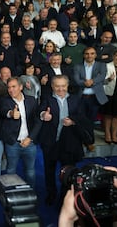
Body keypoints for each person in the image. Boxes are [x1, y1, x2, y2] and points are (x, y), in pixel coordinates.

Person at [39, 75, 92, 206]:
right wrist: (43, 115)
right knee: (49, 170)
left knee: (68, 173)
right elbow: (40, 112)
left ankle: (65, 197)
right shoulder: (47, 98)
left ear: (67, 86)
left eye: (63, 86)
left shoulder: (76, 99)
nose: (61, 89)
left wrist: (73, 121)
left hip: (69, 143)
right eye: (57, 86)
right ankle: (51, 194)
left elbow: (82, 117)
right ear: (52, 86)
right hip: (51, 142)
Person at [0, 77, 41, 188]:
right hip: (13, 143)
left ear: (21, 87)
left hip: (29, 143)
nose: (11, 90)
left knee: (30, 171)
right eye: (9, 87)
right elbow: (4, 112)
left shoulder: (32, 100)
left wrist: (30, 138)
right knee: (11, 170)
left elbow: (38, 122)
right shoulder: (4, 101)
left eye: (14, 86)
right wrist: (11, 114)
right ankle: (12, 194)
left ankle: (31, 192)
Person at [102, 50, 117, 144]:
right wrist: (109, 79)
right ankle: (107, 135)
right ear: (113, 56)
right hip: (109, 94)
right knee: (108, 115)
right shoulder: (107, 66)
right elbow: (101, 81)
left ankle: (114, 135)